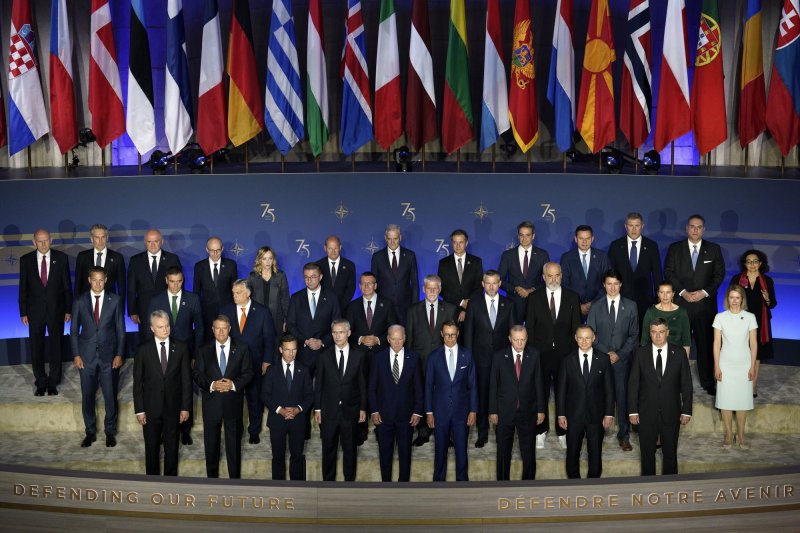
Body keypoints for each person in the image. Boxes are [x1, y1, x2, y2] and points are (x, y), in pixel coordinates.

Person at [664, 214, 725, 396]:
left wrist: (703, 293)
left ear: (703, 230)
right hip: (680, 304)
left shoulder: (713, 249)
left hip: (704, 307)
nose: (695, 230)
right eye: (692, 226)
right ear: (686, 228)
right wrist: (683, 292)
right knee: (675, 344)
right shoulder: (675, 249)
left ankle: (707, 381)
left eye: (699, 227)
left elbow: (718, 275)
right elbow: (669, 272)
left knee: (705, 344)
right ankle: (673, 381)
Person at [525, 262, 581, 450]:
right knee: (539, 393)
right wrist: (530, 355)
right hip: (540, 354)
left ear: (562, 275)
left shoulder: (572, 297)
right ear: (543, 277)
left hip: (565, 355)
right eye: (550, 276)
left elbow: (576, 329)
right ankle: (540, 431)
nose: (554, 279)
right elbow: (530, 329)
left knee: (563, 393)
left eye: (557, 275)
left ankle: (562, 431)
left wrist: (574, 355)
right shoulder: (534, 297)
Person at [147, 266, 204, 445]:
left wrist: (195, 354)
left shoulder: (193, 299)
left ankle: (185, 430)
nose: (175, 285)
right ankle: (166, 430)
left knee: (185, 390)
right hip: (163, 353)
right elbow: (150, 330)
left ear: (182, 280)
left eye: (179, 281)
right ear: (166, 280)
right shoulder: (156, 300)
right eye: (172, 281)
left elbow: (200, 329)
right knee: (165, 392)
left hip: (186, 354)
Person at [629, 318, 693, 475]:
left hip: (671, 412)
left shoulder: (679, 354)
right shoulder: (640, 353)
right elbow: (633, 385)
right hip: (645, 413)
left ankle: (670, 490)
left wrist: (686, 410)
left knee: (670, 455)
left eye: (661, 332)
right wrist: (632, 411)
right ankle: (648, 490)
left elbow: (686, 384)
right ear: (650, 333)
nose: (658, 336)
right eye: (654, 332)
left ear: (667, 333)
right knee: (647, 455)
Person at [193, 315, 254, 478]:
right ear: (212, 330)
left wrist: (232, 384)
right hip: (211, 404)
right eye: (217, 328)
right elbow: (197, 374)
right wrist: (212, 384)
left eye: (224, 328)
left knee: (233, 446)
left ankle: (234, 481)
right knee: (211, 446)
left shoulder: (242, 348)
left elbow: (248, 373)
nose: (221, 331)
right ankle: (211, 480)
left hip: (233, 404)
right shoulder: (203, 350)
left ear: (229, 329)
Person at [70, 266, 125, 447]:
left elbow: (120, 330)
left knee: (110, 396)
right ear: (89, 280)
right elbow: (74, 331)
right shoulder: (79, 301)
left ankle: (110, 432)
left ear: (106, 280)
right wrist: (76, 354)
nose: (98, 283)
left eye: (101, 280)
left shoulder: (115, 300)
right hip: (86, 358)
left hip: (109, 357)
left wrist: (119, 354)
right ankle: (90, 432)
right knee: (87, 396)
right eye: (95, 280)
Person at [132, 310, 192, 475]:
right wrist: (139, 410)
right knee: (151, 448)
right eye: (160, 327)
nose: (165, 330)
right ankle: (152, 482)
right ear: (152, 328)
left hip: (173, 408)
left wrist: (185, 407)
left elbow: (186, 381)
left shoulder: (181, 348)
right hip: (151, 409)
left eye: (166, 326)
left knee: (172, 447)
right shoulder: (143, 350)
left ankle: (170, 483)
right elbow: (138, 383)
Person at [587, 269, 639, 452]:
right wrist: (606, 353)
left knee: (622, 398)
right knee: (599, 398)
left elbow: (634, 335)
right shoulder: (596, 306)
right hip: (600, 361)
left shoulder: (631, 306)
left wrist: (619, 354)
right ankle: (598, 435)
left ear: (621, 285)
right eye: (609, 284)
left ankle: (624, 436)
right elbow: (590, 334)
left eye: (616, 283)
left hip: (622, 361)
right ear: (604, 285)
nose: (612, 287)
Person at [463, 270, 516, 448]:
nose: (492, 286)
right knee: (483, 398)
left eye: (495, 283)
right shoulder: (474, 304)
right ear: (483, 284)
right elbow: (468, 333)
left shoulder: (509, 304)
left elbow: (513, 334)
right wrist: (469, 359)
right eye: (488, 283)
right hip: (481, 360)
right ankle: (482, 433)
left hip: (503, 361)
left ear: (500, 284)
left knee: (503, 397)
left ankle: (502, 433)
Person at [345, 271, 398, 446]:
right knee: (360, 390)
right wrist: (360, 339)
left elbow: (392, 329)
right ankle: (361, 429)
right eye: (363, 283)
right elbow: (347, 332)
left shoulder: (387, 304)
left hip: (380, 355)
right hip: (359, 356)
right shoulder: (352, 306)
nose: (366, 286)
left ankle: (380, 428)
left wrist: (379, 339)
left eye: (370, 283)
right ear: (359, 286)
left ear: (376, 285)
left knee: (381, 390)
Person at [221, 279, 276, 444]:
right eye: (233, 293)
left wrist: (267, 360)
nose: (234, 296)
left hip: (255, 363)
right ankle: (236, 431)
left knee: (254, 399)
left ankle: (254, 431)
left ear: (248, 293)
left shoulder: (262, 311)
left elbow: (269, 339)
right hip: (232, 365)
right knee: (234, 400)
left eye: (238, 293)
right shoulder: (226, 311)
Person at [19, 228, 73, 396]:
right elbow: (23, 287)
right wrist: (23, 312)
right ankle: (40, 381)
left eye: (46, 240)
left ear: (51, 240)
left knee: (56, 346)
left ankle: (53, 382)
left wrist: (68, 309)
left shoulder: (61, 258)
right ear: (34, 242)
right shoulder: (26, 260)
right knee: (36, 346)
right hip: (34, 312)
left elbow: (66, 287)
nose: (43, 244)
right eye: (39, 241)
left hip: (56, 310)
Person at [405, 274, 456, 446]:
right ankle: (423, 432)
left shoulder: (450, 309)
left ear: (440, 289)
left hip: (444, 360)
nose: (432, 291)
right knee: (421, 395)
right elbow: (409, 339)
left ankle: (445, 433)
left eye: (435, 288)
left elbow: (454, 338)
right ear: (423, 289)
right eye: (429, 288)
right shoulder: (413, 310)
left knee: (444, 396)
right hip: (421, 360)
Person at [557, 325, 614, 478]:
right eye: (580, 337)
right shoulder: (567, 360)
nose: (584, 341)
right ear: (575, 338)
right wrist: (561, 414)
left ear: (593, 338)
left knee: (595, 453)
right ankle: (574, 485)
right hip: (573, 415)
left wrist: (609, 414)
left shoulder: (603, 359)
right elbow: (561, 390)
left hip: (597, 416)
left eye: (587, 337)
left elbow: (609, 389)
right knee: (572, 452)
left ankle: (593, 486)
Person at [489, 326, 545, 480]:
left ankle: (528, 484)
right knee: (503, 451)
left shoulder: (534, 355)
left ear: (527, 338)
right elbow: (493, 384)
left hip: (528, 411)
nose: (519, 343)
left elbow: (539, 383)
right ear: (509, 339)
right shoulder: (499, 356)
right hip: (504, 411)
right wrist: (493, 411)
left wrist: (541, 409)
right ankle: (502, 484)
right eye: (516, 340)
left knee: (528, 452)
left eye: (523, 340)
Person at [314, 319, 367, 481]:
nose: (337, 336)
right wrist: (318, 409)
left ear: (349, 333)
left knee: (350, 450)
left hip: (350, 410)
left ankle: (348, 484)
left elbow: (363, 384)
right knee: (328, 449)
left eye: (341, 332)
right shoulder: (324, 356)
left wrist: (363, 408)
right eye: (335, 333)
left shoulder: (359, 355)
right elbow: (319, 384)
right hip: (329, 411)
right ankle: (327, 484)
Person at [369, 325, 423, 482]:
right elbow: (372, 388)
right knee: (385, 453)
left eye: (400, 338)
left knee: (405, 454)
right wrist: (374, 410)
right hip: (384, 416)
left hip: (407, 416)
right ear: (388, 339)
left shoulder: (414, 358)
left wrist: (417, 411)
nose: (397, 342)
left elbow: (419, 387)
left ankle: (404, 488)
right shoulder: (378, 358)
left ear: (405, 338)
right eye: (394, 338)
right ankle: (386, 486)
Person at [425, 321, 477, 482]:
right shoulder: (434, 357)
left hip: (461, 412)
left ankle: (463, 485)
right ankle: (438, 485)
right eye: (447, 334)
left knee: (461, 452)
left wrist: (473, 410)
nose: (450, 338)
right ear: (441, 334)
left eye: (453, 334)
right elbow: (428, 386)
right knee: (440, 451)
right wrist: (429, 412)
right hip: (440, 412)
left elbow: (473, 385)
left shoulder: (466, 355)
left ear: (458, 334)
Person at [262, 335, 313, 480]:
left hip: (298, 421)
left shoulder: (304, 370)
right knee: (278, 456)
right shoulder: (272, 370)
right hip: (277, 420)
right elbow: (265, 395)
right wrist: (280, 410)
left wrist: (298, 409)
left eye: (294, 350)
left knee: (297, 455)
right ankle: (278, 488)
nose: (291, 354)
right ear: (280, 350)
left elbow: (309, 395)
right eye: (287, 350)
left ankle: (297, 488)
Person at [713, 285, 758, 450]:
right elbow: (716, 343)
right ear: (727, 299)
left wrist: (753, 366)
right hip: (725, 363)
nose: (734, 301)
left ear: (742, 299)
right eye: (731, 297)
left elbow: (753, 343)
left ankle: (741, 434)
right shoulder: (720, 317)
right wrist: (716, 366)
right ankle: (728, 434)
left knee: (742, 401)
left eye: (737, 297)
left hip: (744, 363)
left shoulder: (750, 317)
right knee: (725, 401)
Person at [729, 249, 777, 397]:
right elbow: (730, 299)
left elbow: (773, 304)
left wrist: (767, 298)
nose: (752, 264)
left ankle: (753, 387)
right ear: (744, 264)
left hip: (760, 323)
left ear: (760, 263)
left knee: (756, 356)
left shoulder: (767, 281)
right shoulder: (737, 279)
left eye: (755, 261)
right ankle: (738, 384)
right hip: (740, 321)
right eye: (749, 261)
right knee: (739, 353)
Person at [607, 212, 663, 326]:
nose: (634, 229)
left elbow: (657, 274)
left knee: (644, 332)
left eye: (637, 226)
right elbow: (610, 274)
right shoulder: (616, 246)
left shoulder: (652, 246)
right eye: (630, 225)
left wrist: (659, 298)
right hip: (621, 298)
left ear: (642, 226)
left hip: (645, 300)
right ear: (625, 226)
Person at [127, 229, 181, 336]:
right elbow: (131, 287)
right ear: (144, 242)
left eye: (156, 241)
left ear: (162, 241)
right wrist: (132, 311)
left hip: (168, 307)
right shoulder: (135, 260)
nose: (152, 245)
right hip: (144, 309)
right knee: (146, 341)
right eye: (149, 242)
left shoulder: (172, 259)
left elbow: (178, 285)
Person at [498, 220, 550, 324]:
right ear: (518, 236)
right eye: (521, 235)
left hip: (536, 302)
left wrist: (531, 290)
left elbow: (548, 280)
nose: (524, 238)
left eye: (527, 235)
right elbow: (500, 280)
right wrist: (515, 289)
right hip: (514, 303)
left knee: (535, 336)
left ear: (533, 236)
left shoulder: (542, 255)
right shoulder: (508, 255)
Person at [371, 224, 419, 325]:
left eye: (395, 238)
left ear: (400, 237)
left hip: (405, 307)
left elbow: (415, 284)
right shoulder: (377, 257)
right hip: (384, 306)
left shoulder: (410, 256)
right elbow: (373, 284)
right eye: (389, 239)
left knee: (406, 337)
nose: (392, 242)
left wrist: (415, 307)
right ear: (385, 238)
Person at [193, 236, 238, 342]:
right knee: (208, 342)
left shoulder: (231, 265)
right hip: (206, 312)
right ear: (207, 249)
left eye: (218, 250)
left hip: (227, 311)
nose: (215, 253)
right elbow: (196, 291)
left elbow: (235, 289)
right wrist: (196, 313)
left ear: (222, 249)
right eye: (212, 250)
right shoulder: (199, 266)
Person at [560, 225, 611, 317]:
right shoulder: (567, 258)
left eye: (587, 238)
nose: (584, 242)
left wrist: (592, 304)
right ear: (575, 239)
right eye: (581, 238)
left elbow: (608, 282)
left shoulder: (602, 257)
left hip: (598, 308)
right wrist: (577, 305)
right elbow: (564, 284)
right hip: (573, 308)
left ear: (592, 239)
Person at [74, 224, 126, 309]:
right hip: (87, 305)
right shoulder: (82, 257)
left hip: (109, 305)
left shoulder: (117, 258)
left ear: (107, 238)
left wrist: (121, 309)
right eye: (97, 237)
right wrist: (76, 307)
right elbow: (77, 284)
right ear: (91, 239)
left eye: (103, 237)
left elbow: (122, 287)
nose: (100, 241)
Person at [437, 229, 483, 323]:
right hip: (450, 311)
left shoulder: (476, 262)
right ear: (452, 243)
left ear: (466, 243)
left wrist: (467, 307)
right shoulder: (444, 263)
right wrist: (461, 302)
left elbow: (479, 287)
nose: (458, 246)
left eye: (461, 242)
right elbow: (441, 289)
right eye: (455, 242)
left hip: (471, 310)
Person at [247, 245, 290, 336]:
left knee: (275, 346)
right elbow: (248, 300)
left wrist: (286, 320)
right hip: (258, 319)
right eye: (264, 259)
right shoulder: (253, 277)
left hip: (277, 320)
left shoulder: (280, 276)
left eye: (270, 258)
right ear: (259, 260)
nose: (267, 262)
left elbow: (285, 300)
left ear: (273, 259)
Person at [640, 281, 691, 356]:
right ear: (658, 294)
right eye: (662, 292)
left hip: (677, 355)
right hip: (656, 355)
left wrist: (685, 363)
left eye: (668, 292)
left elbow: (686, 341)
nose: (665, 296)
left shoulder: (682, 312)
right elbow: (644, 340)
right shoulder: (651, 312)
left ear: (673, 294)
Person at [316, 235, 357, 311]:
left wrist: (340, 307)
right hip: (323, 309)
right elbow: (316, 288)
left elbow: (351, 288)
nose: (333, 252)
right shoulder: (318, 266)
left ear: (340, 247)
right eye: (330, 248)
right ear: (325, 248)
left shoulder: (349, 266)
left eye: (336, 248)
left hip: (343, 310)